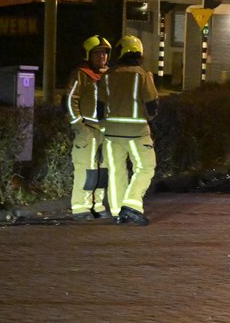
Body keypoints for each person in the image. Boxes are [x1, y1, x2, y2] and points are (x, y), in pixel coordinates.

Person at [98, 36, 159, 226]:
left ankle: (117, 212)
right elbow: (152, 107)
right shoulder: (142, 75)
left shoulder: (107, 76)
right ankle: (132, 204)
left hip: (111, 133)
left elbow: (99, 107)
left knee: (116, 171)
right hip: (137, 132)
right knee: (145, 167)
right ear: (139, 52)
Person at [65, 35, 111, 220]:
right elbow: (70, 100)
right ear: (88, 55)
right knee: (86, 169)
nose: (102, 57)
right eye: (97, 53)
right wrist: (78, 125)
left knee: (103, 171)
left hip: (106, 130)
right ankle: (81, 207)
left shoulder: (109, 75)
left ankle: (98, 205)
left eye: (105, 53)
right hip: (88, 128)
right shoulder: (81, 74)